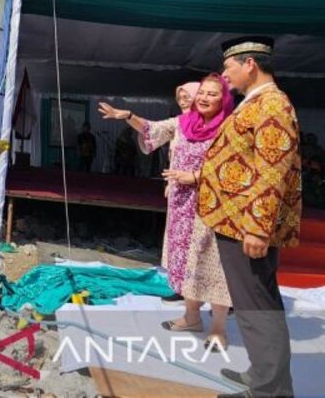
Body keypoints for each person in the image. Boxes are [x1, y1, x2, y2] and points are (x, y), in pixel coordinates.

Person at [198, 37, 301, 397]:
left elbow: (273, 169)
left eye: (228, 68)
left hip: (248, 226)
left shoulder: (271, 104)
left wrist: (257, 229)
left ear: (250, 65)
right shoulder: (256, 103)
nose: (225, 76)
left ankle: (270, 389)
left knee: (257, 306)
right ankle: (264, 376)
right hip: (238, 222)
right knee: (253, 303)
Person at [100, 77, 234, 348]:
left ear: (224, 99)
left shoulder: (230, 128)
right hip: (182, 207)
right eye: (202, 94)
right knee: (186, 263)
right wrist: (127, 115)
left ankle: (219, 328)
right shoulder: (183, 124)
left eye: (212, 94)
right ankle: (192, 317)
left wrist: (195, 176)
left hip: (215, 207)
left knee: (215, 267)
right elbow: (151, 129)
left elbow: (236, 169)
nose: (203, 99)